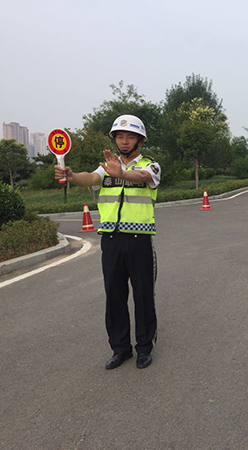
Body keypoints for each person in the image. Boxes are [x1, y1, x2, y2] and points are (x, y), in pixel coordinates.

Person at [54, 114, 161, 370]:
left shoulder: (151, 165)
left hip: (139, 240)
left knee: (143, 295)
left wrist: (122, 173)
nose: (124, 141)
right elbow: (90, 178)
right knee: (114, 295)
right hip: (111, 240)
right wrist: (71, 175)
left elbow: (143, 177)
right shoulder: (106, 167)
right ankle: (120, 349)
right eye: (119, 136)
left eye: (130, 137)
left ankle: (144, 348)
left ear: (140, 141)